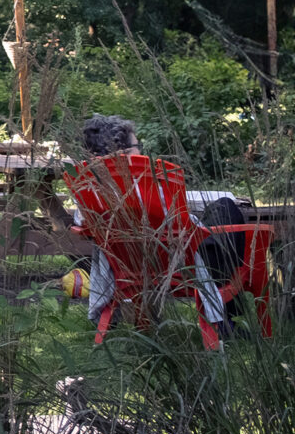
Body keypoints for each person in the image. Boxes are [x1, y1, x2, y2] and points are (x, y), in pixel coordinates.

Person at [73, 115, 234, 334]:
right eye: (137, 146)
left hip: (126, 269)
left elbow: (81, 222)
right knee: (227, 209)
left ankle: (227, 317)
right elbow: (181, 224)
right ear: (126, 152)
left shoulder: (88, 186)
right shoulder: (148, 182)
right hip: (179, 267)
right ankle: (228, 318)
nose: (141, 151)